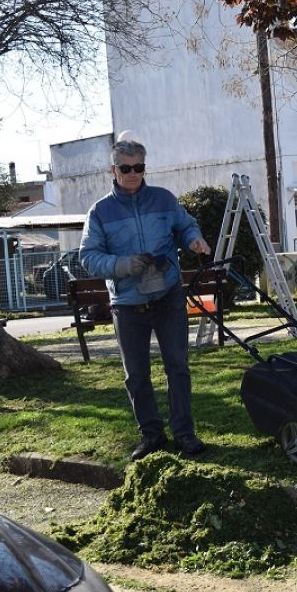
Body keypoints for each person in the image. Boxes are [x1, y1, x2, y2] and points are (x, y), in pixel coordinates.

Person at [80, 136, 212, 460]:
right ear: (113, 169)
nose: (133, 173)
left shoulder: (164, 199)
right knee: (136, 374)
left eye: (139, 167)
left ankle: (184, 434)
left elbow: (185, 226)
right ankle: (152, 436)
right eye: (126, 168)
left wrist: (194, 240)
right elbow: (87, 256)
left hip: (168, 298)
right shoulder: (99, 212)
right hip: (127, 306)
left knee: (178, 366)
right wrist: (122, 265)